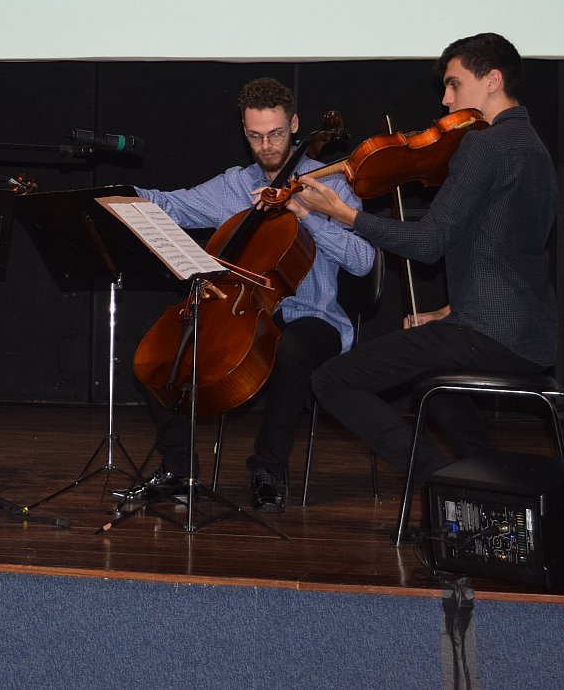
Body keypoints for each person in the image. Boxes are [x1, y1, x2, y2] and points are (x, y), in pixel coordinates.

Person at [300, 32, 560, 487]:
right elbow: (508, 250)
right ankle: (489, 483)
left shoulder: (485, 145)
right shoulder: (533, 145)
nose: (445, 99)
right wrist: (447, 312)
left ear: (493, 80)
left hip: (490, 334)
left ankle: (441, 481)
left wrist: (343, 214)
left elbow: (427, 243)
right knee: (435, 384)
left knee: (332, 381)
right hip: (530, 335)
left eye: (454, 84)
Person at [115, 78, 375, 512]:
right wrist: (116, 196)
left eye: (275, 134)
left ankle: (267, 470)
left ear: (294, 125)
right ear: (244, 130)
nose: (266, 146)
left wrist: (306, 214)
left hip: (314, 317)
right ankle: (179, 472)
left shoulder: (332, 184)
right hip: (244, 312)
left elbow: (363, 261)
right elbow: (172, 204)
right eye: (255, 136)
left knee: (291, 349)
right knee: (162, 350)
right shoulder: (233, 186)